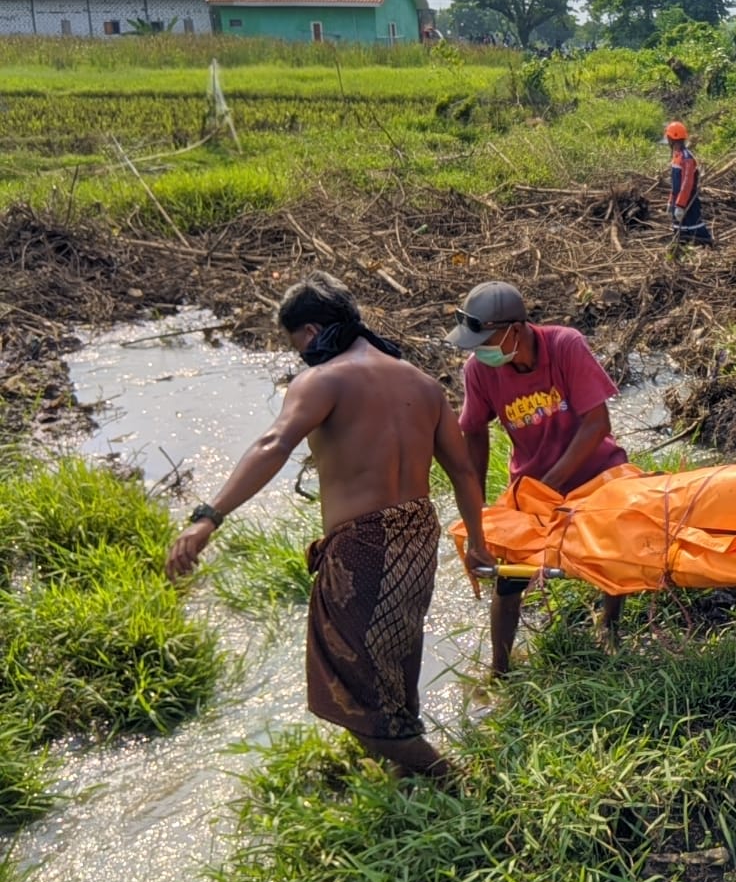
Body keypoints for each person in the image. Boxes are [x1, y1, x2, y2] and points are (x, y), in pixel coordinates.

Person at [165, 272, 492, 782]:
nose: (302, 357)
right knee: (393, 658)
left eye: (299, 347)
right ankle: (410, 777)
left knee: (350, 683)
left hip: (363, 546)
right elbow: (464, 472)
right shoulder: (423, 385)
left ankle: (456, 780)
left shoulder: (324, 380)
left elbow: (274, 444)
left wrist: (208, 518)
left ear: (312, 332)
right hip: (419, 535)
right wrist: (477, 540)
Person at [447, 280, 632, 675]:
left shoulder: (565, 345)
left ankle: (610, 626)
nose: (479, 350)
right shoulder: (480, 370)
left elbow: (597, 424)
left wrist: (548, 485)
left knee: (616, 550)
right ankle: (500, 669)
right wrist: (478, 510)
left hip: (597, 472)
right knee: (509, 577)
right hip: (533, 481)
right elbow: (474, 434)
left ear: (514, 330)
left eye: (484, 339)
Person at [665, 120, 713, 246]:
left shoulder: (687, 158)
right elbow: (675, 184)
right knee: (680, 231)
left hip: (688, 201)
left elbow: (687, 184)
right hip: (678, 200)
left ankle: (707, 249)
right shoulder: (677, 156)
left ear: (672, 138)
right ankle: (681, 252)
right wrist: (671, 201)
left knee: (695, 227)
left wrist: (680, 205)